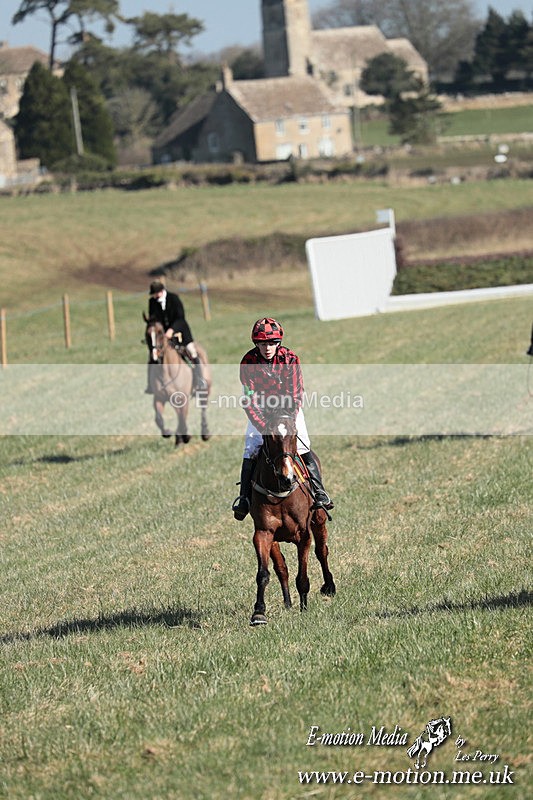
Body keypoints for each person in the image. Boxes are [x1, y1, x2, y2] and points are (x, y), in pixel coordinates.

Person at [232, 317, 334, 521]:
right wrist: (264, 427)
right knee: (251, 449)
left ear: (278, 343)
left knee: (303, 445)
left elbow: (296, 395)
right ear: (256, 344)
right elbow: (249, 399)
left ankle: (318, 490)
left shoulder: (290, 358)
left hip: (288, 411)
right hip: (261, 413)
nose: (267, 348)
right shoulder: (248, 362)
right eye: (262, 344)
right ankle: (244, 498)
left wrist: (286, 422)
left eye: (271, 343)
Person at [145, 279, 206, 394]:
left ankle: (200, 382)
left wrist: (171, 330)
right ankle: (150, 385)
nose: (155, 296)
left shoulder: (174, 299)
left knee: (192, 352)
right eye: (153, 294)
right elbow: (154, 320)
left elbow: (180, 318)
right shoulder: (152, 302)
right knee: (153, 356)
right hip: (162, 338)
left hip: (181, 334)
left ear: (162, 291)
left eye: (156, 294)